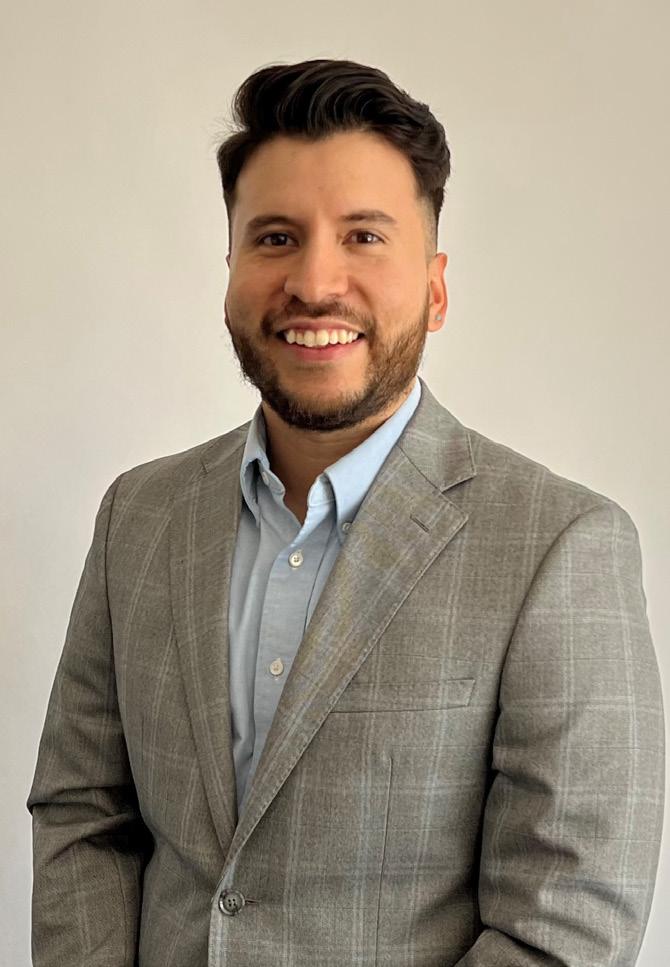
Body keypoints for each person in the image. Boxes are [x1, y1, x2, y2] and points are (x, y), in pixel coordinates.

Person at [28, 58, 664, 967]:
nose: (315, 281)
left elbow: (568, 924)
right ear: (231, 269)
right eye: (275, 237)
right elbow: (84, 812)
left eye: (364, 236)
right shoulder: (139, 515)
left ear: (436, 288)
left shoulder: (561, 546)